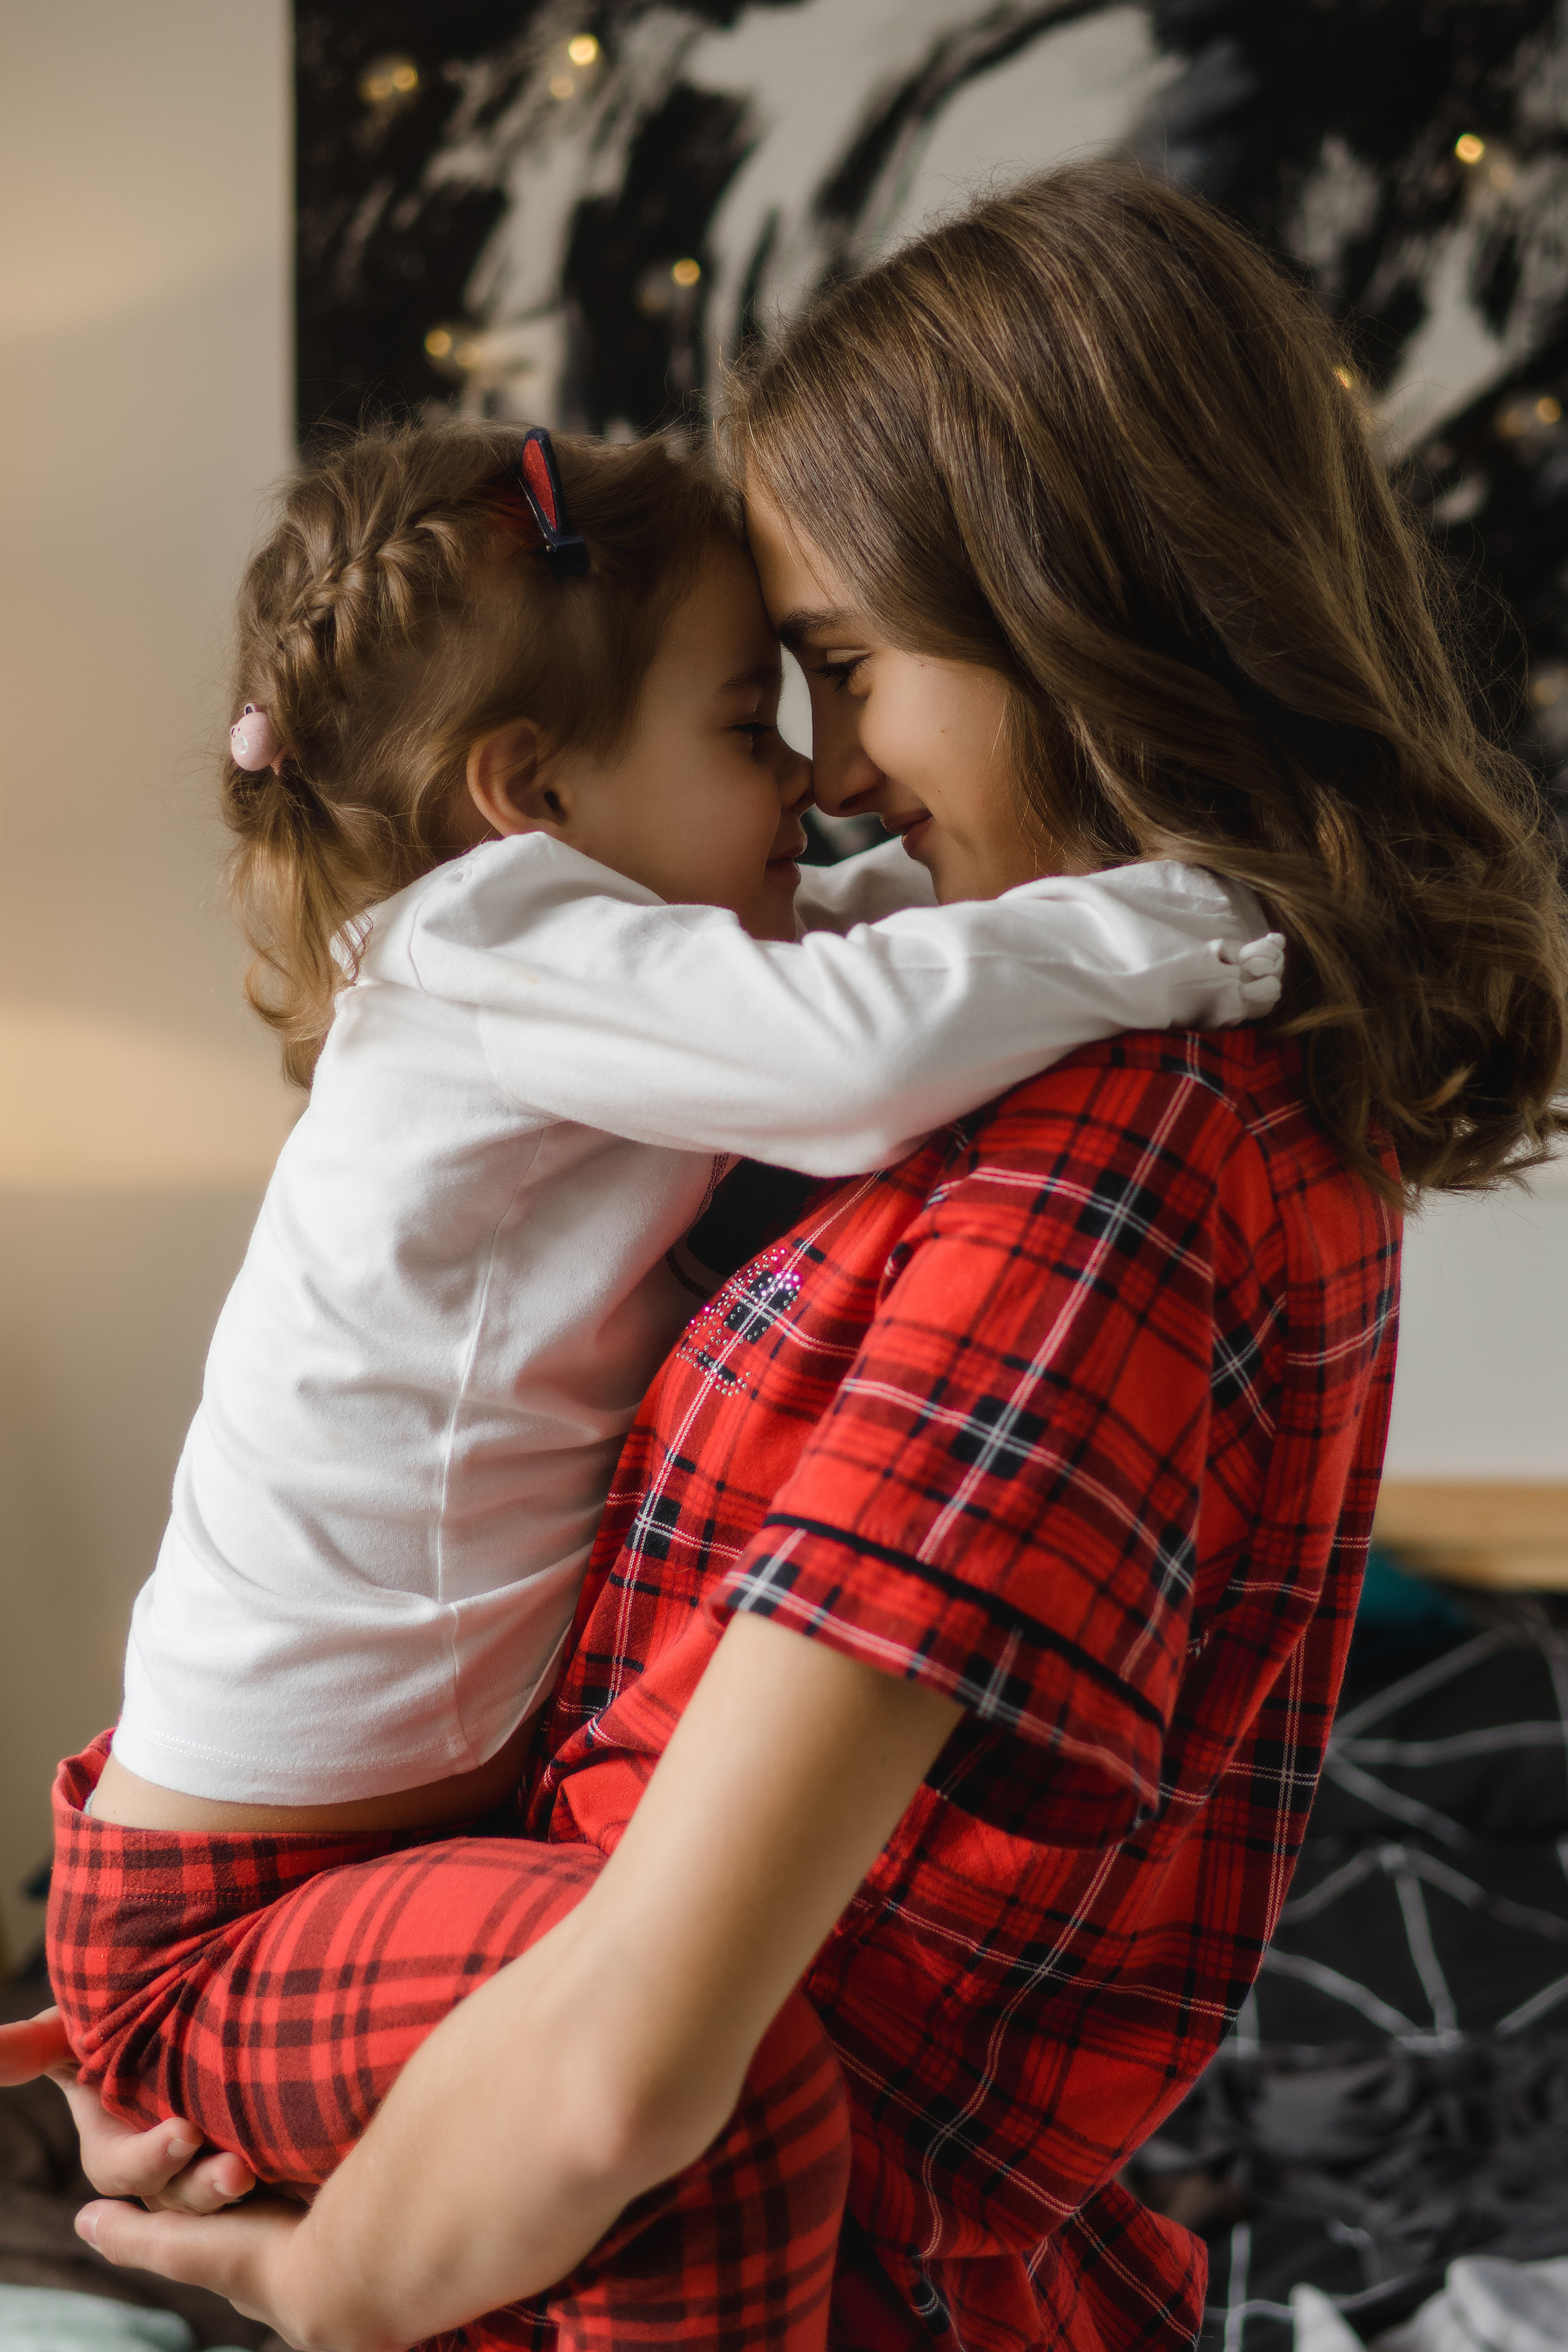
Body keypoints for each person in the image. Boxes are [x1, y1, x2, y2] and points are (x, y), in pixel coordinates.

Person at [9, 161, 1566, 2352]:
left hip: (692, 2190)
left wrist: (326, 2282)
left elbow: (629, 2064)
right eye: (773, 707)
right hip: (463, 2001)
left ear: (1059, 616)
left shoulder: (1109, 1164)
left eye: (832, 672)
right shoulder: (1042, 1067)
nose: (826, 783)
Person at [81, 419, 1280, 1830]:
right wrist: (1193, 917)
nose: (803, 780)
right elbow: (860, 1048)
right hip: (260, 1839)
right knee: (697, 2048)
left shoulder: (572, 958)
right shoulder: (493, 943)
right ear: (534, 797)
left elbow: (878, 946)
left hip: (368, 1799)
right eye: (743, 726)